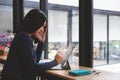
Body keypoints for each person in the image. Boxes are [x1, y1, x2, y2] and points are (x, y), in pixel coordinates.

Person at [1, 9, 64, 80]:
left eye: (44, 27)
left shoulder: (23, 36)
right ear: (34, 24)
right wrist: (55, 62)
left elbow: (35, 62)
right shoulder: (23, 38)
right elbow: (33, 68)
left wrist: (41, 42)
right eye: (42, 26)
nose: (43, 30)